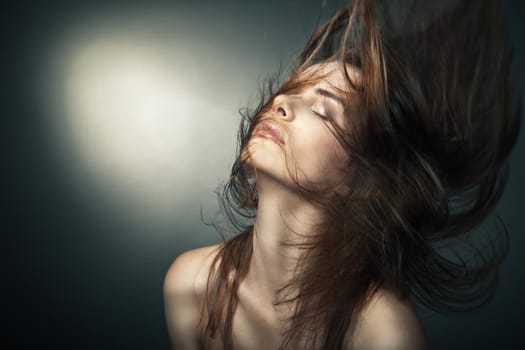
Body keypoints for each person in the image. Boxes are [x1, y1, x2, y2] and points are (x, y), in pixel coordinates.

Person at [164, 0, 520, 349]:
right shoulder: (190, 286)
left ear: (363, 180)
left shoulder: (384, 337)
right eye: (290, 91)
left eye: (322, 110)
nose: (280, 104)